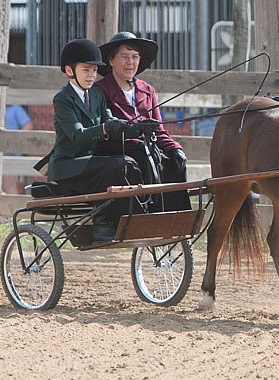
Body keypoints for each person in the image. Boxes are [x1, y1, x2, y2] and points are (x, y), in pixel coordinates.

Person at [47, 38, 157, 242]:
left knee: (131, 163)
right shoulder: (62, 99)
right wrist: (105, 128)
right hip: (68, 164)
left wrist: (136, 128)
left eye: (94, 71)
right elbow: (77, 135)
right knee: (116, 166)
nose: (91, 75)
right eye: (86, 70)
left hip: (91, 161)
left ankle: (134, 216)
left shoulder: (96, 94)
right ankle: (105, 223)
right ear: (70, 71)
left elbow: (111, 120)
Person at [95, 31, 191, 212]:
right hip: (115, 150)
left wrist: (175, 148)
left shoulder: (148, 90)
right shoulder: (100, 90)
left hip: (147, 148)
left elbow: (159, 130)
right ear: (111, 60)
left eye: (134, 57)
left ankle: (176, 219)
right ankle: (146, 215)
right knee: (143, 158)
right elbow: (103, 130)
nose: (130, 62)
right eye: (124, 57)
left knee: (173, 162)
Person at [2, 105, 34, 194]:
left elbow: (28, 125)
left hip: (11, 155)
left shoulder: (14, 108)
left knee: (8, 185)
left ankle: (12, 207)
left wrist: (14, 141)